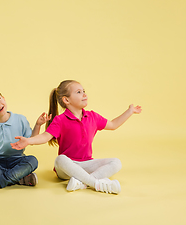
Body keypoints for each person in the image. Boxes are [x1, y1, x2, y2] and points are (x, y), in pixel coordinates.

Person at [11, 80, 142, 194]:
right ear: (66, 100)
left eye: (84, 91)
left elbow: (113, 124)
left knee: (116, 162)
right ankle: (97, 184)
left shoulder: (93, 117)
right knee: (60, 159)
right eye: (79, 92)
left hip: (86, 164)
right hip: (67, 167)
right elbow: (45, 137)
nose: (84, 94)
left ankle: (82, 183)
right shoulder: (60, 120)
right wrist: (28, 140)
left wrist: (130, 111)